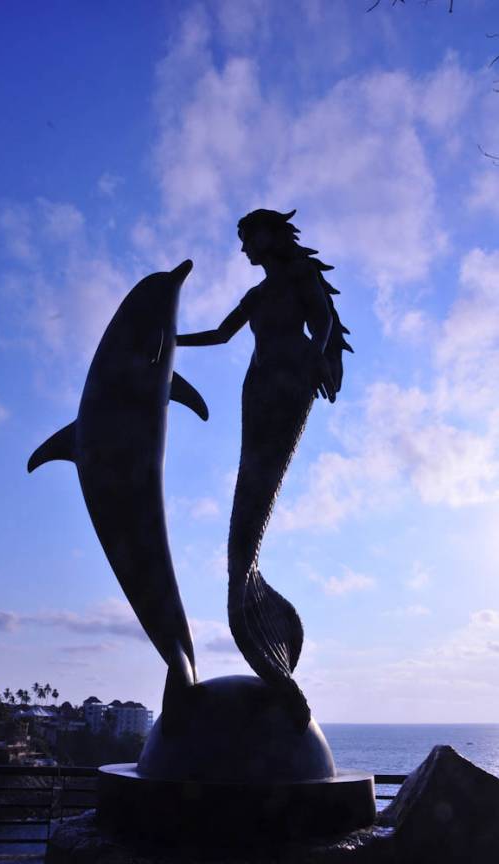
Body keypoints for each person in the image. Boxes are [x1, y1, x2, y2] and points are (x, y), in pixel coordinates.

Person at [177, 209, 352, 729]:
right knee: (245, 500)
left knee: (258, 492)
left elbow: (321, 323)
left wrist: (318, 359)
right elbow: (218, 335)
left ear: (271, 234)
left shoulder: (300, 277)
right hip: (256, 389)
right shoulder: (255, 296)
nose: (244, 248)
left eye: (247, 236)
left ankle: (253, 600)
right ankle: (248, 588)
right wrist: (167, 339)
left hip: (288, 383)